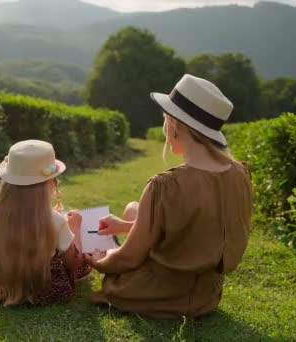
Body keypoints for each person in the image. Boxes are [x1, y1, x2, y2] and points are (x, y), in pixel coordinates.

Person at [85, 75, 253, 319]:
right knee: (134, 209)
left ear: (174, 123)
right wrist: (127, 226)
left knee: (117, 272)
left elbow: (128, 259)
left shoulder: (164, 185)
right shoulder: (240, 175)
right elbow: (201, 228)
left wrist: (100, 261)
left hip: (157, 297)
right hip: (206, 297)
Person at [0, 140, 90, 306]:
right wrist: (75, 226)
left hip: (9, 287)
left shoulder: (1, 217)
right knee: (83, 262)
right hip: (47, 290)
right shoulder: (56, 220)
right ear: (51, 183)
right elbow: (73, 261)